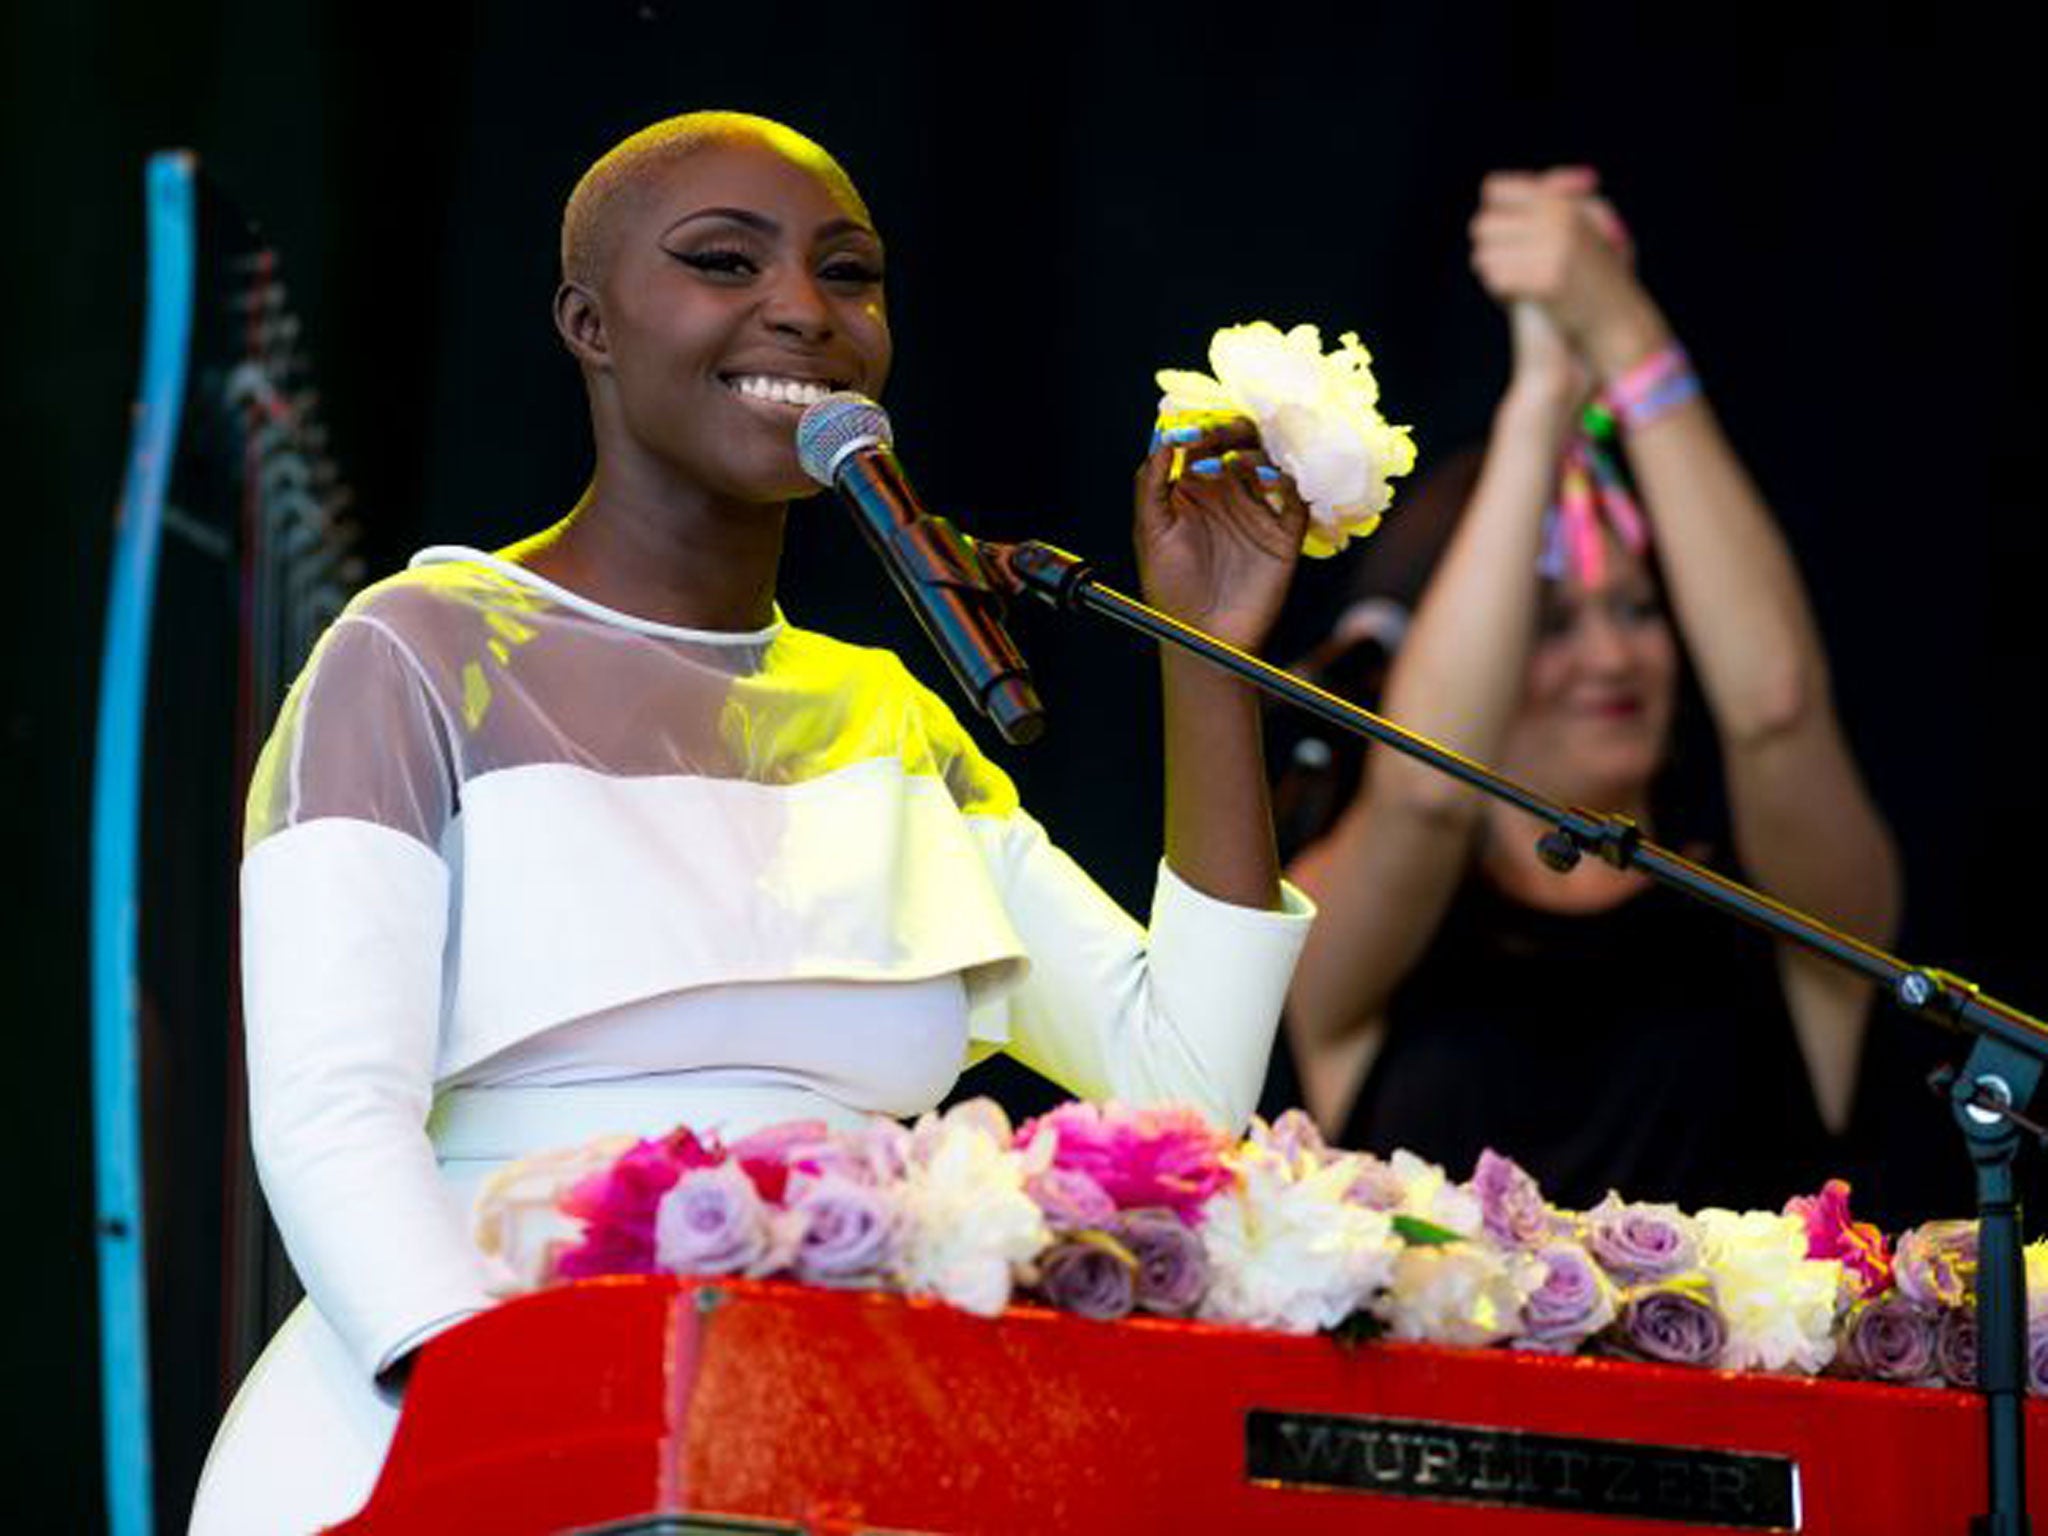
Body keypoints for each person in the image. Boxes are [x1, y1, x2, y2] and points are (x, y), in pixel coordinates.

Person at [189, 111, 1315, 1534]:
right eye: (724, 261)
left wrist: (1204, 654)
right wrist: (523, 1419)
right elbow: (330, 1119)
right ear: (588, 324)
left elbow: (1183, 1103)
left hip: (818, 1451)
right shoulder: (415, 649)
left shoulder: (884, 716)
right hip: (451, 1423)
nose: (804, 309)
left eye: (849, 273)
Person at [1283, 167, 1900, 1213]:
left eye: (1638, 609)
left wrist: (1628, 341)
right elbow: (1426, 794)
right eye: (1550, 623)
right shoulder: (1355, 930)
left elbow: (1775, 707)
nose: (1611, 659)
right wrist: (1535, 406)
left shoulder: (1786, 918)